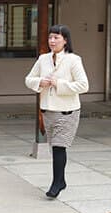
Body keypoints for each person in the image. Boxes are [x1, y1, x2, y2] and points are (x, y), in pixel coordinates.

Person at [25, 24, 89, 199]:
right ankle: (61, 181)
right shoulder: (43, 59)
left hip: (67, 112)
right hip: (48, 111)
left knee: (60, 147)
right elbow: (28, 79)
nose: (52, 41)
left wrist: (58, 84)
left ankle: (56, 183)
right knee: (55, 148)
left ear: (65, 40)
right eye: (50, 37)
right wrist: (40, 82)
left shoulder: (73, 60)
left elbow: (83, 85)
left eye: (56, 38)